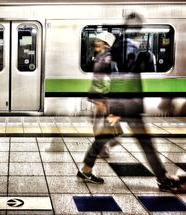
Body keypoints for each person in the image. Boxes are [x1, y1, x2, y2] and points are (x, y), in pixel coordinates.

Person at [77, 13, 179, 193]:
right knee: (145, 143)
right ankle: (162, 178)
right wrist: (116, 107)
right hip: (127, 107)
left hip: (121, 105)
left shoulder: (118, 48)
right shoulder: (125, 49)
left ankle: (86, 170)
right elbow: (121, 79)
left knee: (103, 138)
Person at [87, 31, 120, 158]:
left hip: (103, 98)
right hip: (99, 97)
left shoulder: (107, 58)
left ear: (105, 44)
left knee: (98, 124)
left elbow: (109, 80)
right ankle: (110, 140)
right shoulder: (101, 56)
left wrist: (101, 99)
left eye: (99, 40)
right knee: (99, 122)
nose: (96, 42)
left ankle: (104, 147)